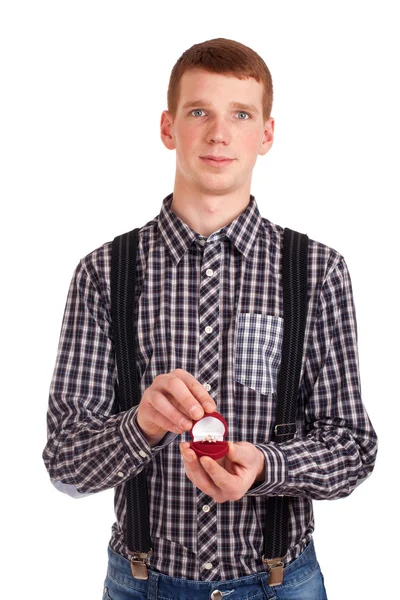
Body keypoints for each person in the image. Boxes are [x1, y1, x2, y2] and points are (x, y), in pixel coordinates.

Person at [42, 38, 378, 600]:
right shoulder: (105, 272)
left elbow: (352, 448)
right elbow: (65, 462)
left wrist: (266, 465)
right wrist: (142, 425)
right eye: (199, 112)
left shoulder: (316, 270)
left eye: (240, 115)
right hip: (143, 584)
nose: (219, 134)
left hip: (280, 583)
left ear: (266, 134)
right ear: (169, 128)